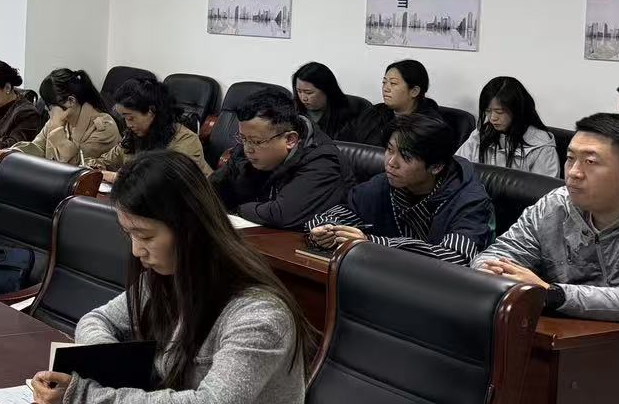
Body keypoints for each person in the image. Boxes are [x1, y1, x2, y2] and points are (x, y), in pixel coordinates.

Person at [26, 150, 312, 404]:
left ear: (190, 228)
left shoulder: (259, 315)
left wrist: (82, 398)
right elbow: (97, 320)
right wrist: (112, 359)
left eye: (145, 236)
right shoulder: (166, 279)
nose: (136, 250)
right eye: (129, 235)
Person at [473, 114, 619, 323]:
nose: (574, 172)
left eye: (590, 162)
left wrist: (553, 294)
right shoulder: (555, 205)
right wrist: (493, 271)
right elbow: (497, 254)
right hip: (560, 335)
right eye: (570, 158)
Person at [307, 114, 494, 264]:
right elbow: (339, 213)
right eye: (389, 149)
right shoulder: (384, 183)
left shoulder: (469, 199)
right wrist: (327, 231)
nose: (391, 162)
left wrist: (373, 244)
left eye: (406, 156)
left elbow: (456, 257)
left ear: (436, 166)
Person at [210, 88, 346, 229]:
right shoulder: (247, 148)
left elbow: (281, 215)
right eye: (243, 138)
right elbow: (209, 190)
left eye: (257, 141)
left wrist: (236, 210)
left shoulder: (322, 161)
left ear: (290, 140)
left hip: (302, 239)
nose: (248, 148)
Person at [94, 77, 209, 175]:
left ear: (151, 111)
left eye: (130, 118)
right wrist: (95, 167)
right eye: (124, 118)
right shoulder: (134, 136)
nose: (128, 125)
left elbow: (165, 184)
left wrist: (116, 177)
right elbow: (105, 161)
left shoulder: (186, 141)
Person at [12, 68, 120, 165]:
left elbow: (76, 165)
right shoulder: (59, 119)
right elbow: (38, 147)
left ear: (71, 101)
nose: (46, 109)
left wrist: (57, 130)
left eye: (50, 105)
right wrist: (11, 153)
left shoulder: (104, 126)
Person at [458, 76, 559, 177]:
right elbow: (457, 169)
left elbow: (545, 186)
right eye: (488, 111)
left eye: (499, 112)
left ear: (517, 110)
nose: (492, 118)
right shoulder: (481, 134)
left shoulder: (540, 146)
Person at [344, 59, 441, 148]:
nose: (385, 88)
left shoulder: (430, 126)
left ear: (414, 91)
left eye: (393, 83)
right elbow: (343, 139)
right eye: (384, 82)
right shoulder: (375, 112)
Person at [291, 62, 359, 140]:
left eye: (309, 93)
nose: (303, 98)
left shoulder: (349, 113)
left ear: (327, 90)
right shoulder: (292, 110)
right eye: (299, 91)